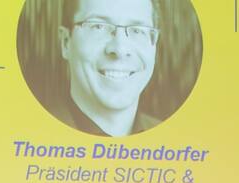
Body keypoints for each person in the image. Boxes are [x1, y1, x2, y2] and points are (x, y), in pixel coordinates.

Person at [52, 0, 163, 136]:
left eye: (137, 30)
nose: (120, 49)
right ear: (66, 42)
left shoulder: (175, 143)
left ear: (154, 45)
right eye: (98, 26)